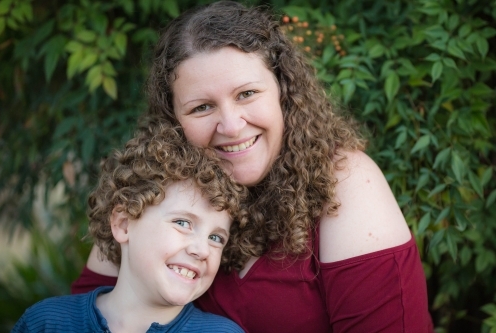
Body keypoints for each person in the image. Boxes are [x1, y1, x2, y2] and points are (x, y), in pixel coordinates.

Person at [72, 1, 434, 332]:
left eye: (247, 94)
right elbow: (85, 316)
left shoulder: (345, 183)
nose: (231, 126)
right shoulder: (154, 192)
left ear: (283, 92)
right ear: (173, 120)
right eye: (202, 107)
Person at [13, 123, 246, 333]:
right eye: (183, 223)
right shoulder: (46, 323)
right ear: (123, 224)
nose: (202, 250)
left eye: (216, 238)